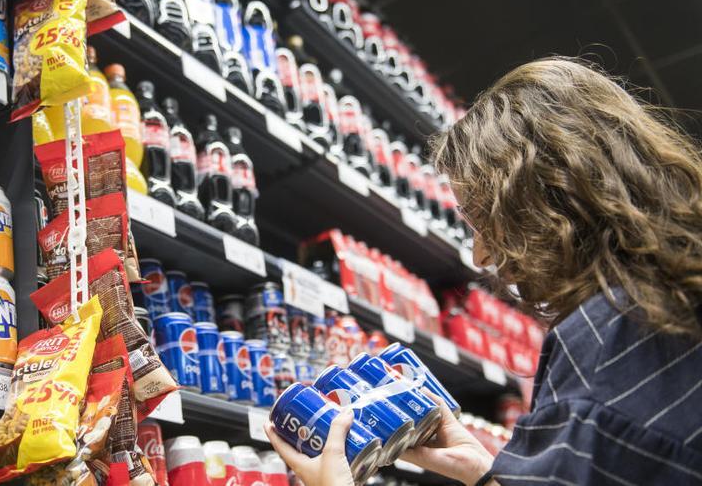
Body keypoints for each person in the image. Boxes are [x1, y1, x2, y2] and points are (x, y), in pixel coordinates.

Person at [265, 58, 702, 485]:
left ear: (540, 202)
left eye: (483, 222)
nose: (481, 255)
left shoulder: (609, 338)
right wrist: (488, 475)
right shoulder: (666, 306)